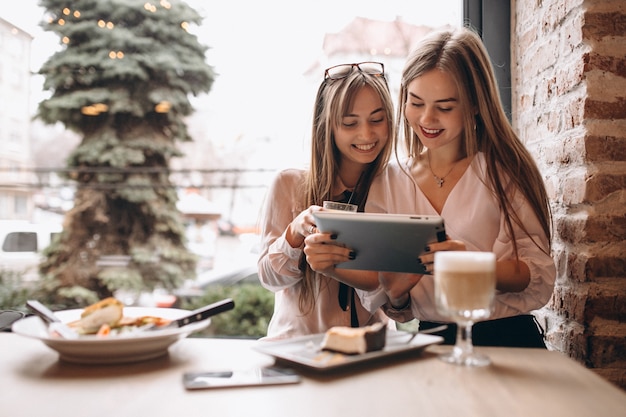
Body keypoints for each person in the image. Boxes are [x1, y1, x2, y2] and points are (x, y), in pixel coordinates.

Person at [364, 27, 556, 348]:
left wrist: (470, 264)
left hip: (507, 340)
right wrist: (396, 294)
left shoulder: (504, 170)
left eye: (445, 106)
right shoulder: (388, 182)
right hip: (430, 342)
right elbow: (398, 307)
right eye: (416, 102)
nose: (427, 118)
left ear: (476, 105)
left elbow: (537, 276)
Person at [257, 62, 396, 339]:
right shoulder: (289, 184)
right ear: (328, 125)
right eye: (350, 123)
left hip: (370, 352)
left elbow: (396, 297)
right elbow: (269, 279)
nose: (366, 134)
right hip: (297, 349)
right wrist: (295, 233)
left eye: (377, 120)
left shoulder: (393, 188)